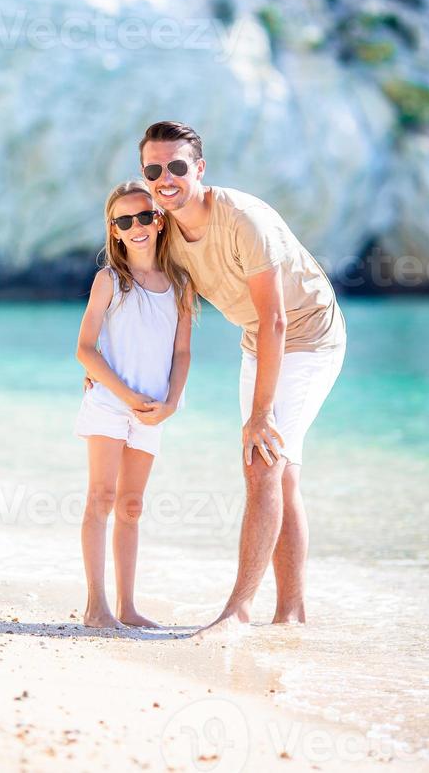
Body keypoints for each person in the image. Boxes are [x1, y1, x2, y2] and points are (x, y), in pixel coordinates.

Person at [138, 121, 347, 634]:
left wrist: (259, 415)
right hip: (259, 342)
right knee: (280, 471)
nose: (166, 178)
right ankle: (292, 615)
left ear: (200, 168)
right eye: (154, 169)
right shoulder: (167, 231)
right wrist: (117, 375)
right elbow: (171, 316)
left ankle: (238, 611)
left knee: (261, 463)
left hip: (308, 335)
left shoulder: (245, 219)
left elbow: (276, 317)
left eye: (178, 167)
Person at [75, 179, 194, 629]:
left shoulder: (180, 284)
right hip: (110, 402)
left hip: (153, 411)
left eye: (145, 216)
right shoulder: (109, 280)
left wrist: (171, 403)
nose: (137, 226)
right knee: (101, 498)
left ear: (159, 221)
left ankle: (127, 607)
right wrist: (125, 396)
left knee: (131, 506)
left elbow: (182, 353)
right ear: (114, 229)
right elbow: (85, 350)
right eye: (125, 221)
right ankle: (96, 607)